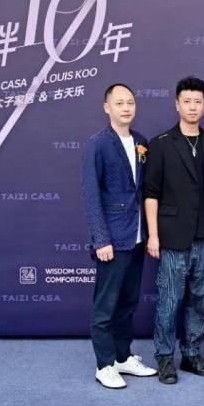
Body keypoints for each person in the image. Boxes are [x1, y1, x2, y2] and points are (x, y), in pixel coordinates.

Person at [143, 76, 204, 385]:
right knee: (169, 300)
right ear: (177, 105)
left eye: (197, 101)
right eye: (186, 101)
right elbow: (151, 193)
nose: (192, 107)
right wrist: (153, 235)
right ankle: (164, 357)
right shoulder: (161, 143)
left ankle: (191, 353)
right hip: (172, 236)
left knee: (200, 300)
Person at [82, 83, 157, 389]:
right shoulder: (97, 144)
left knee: (128, 302)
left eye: (130, 103)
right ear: (107, 107)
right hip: (112, 240)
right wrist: (101, 240)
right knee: (106, 307)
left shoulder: (141, 141)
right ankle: (104, 365)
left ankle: (123, 357)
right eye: (119, 103)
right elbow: (91, 195)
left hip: (136, 238)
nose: (126, 108)